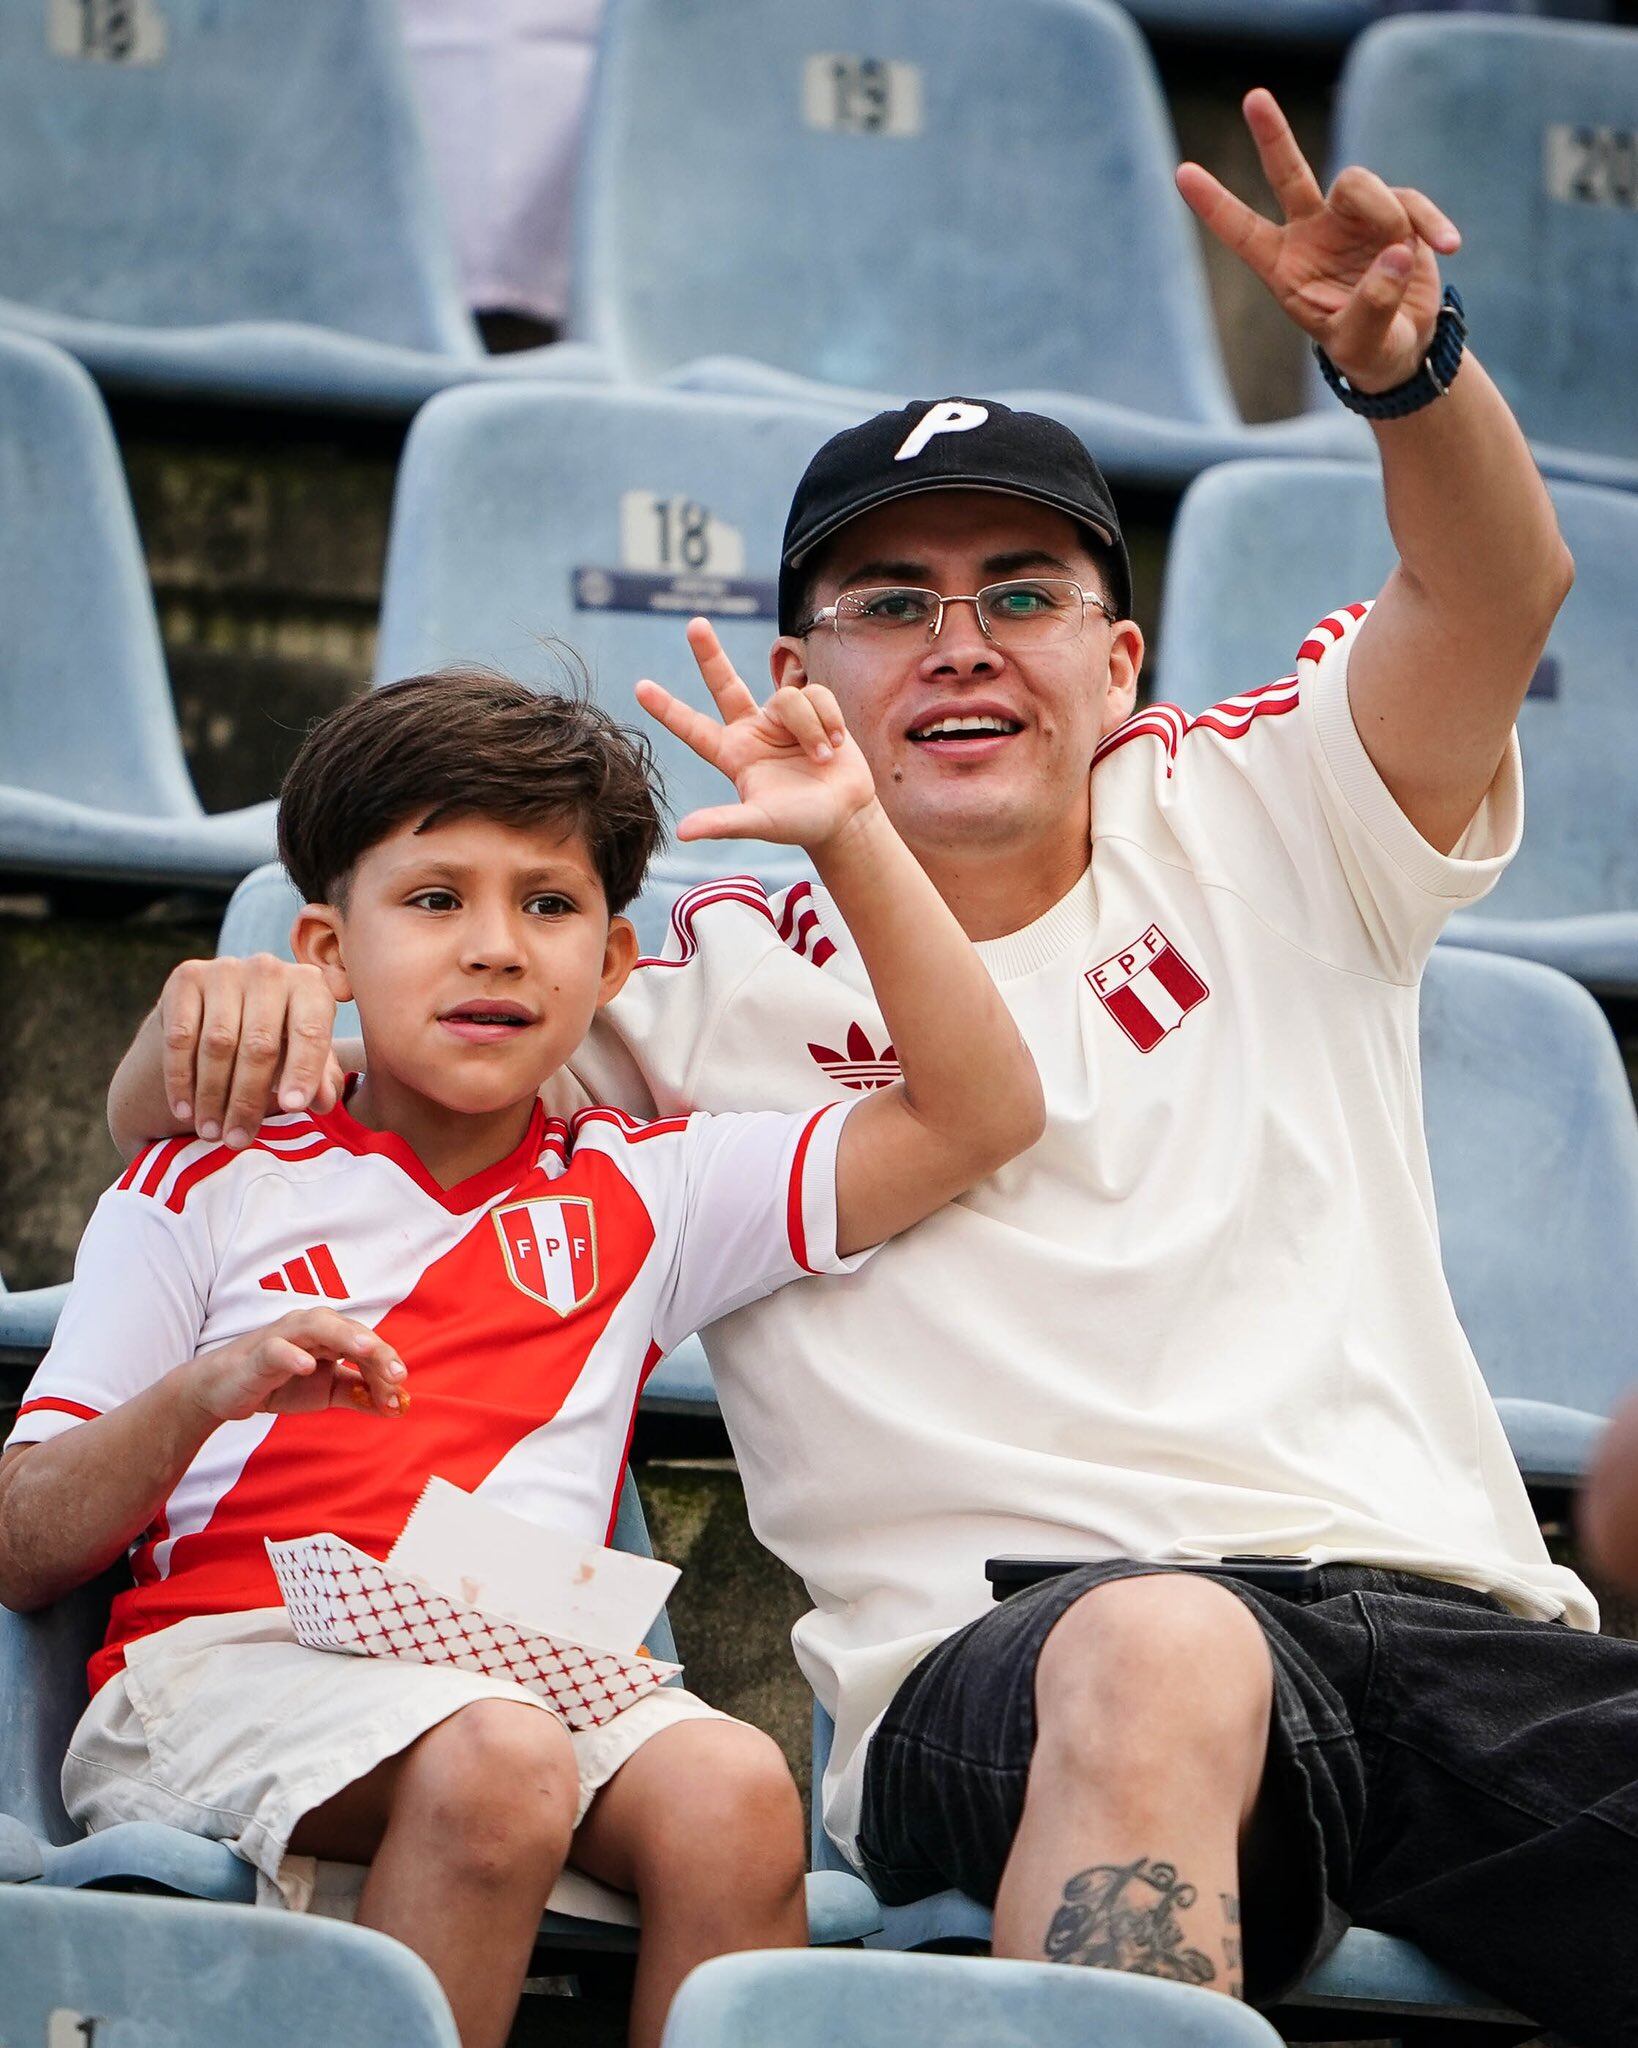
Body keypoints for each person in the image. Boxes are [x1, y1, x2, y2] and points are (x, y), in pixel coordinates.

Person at [103, 91, 1637, 2044]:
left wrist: (1406, 372)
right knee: (1161, 1641)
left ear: (1120, 658)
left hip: (1453, 1629)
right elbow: (236, 1160)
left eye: (1020, 592)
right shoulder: (671, 990)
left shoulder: (1281, 798)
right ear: (805, 679)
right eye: (893, 604)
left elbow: (1497, 592)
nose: (963, 641)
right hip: (995, 1667)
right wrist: (185, 1042)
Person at [0, 664, 1043, 2048]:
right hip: (220, 1667)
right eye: (435, 901)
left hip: (531, 1675)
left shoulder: (648, 1187)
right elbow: (23, 1542)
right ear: (328, 951)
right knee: (496, 1758)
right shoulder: (207, 1178)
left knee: (735, 1792)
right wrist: (214, 1386)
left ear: (611, 964)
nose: (496, 947)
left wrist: (847, 835)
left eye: (549, 905)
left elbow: (977, 1115)